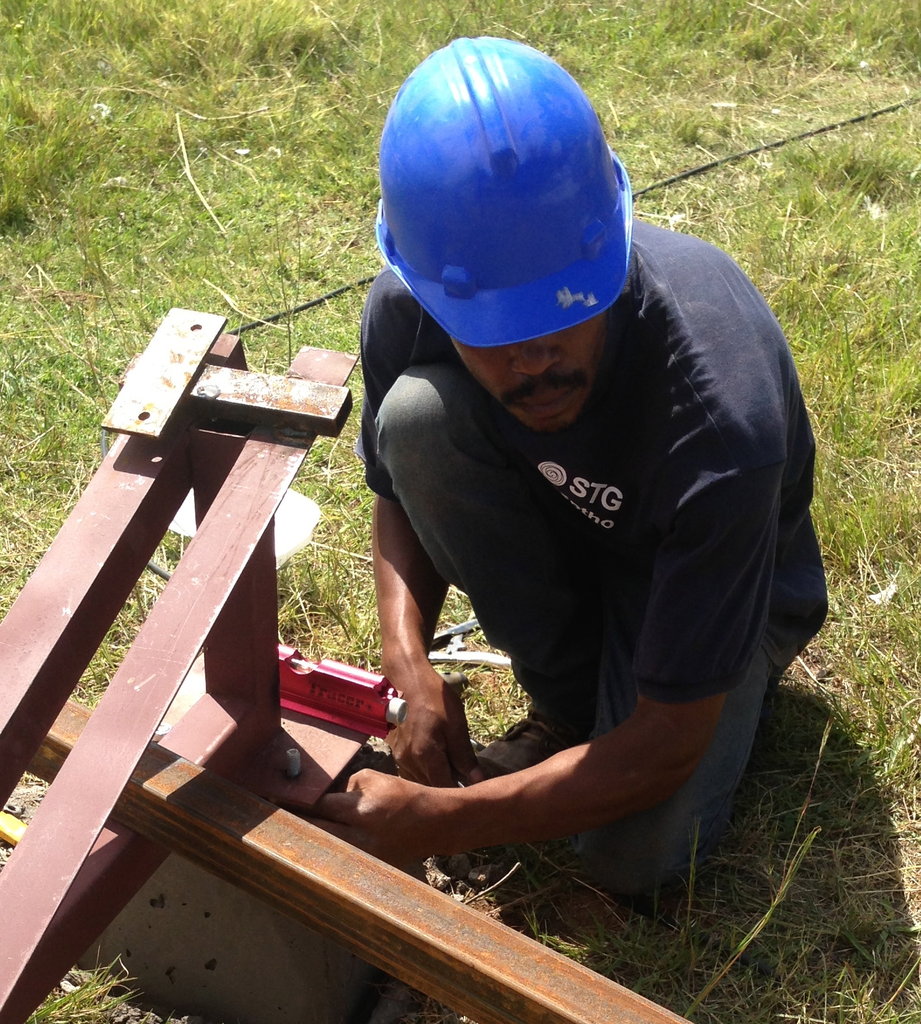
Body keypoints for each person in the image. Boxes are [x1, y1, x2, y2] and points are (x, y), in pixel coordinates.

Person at [313, 36, 827, 896]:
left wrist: (442, 819)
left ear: (608, 262)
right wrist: (407, 665)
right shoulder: (412, 303)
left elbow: (663, 743)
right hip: (576, 528)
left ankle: (701, 685)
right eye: (494, 334)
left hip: (714, 585)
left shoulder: (717, 420)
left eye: (561, 319)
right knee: (414, 418)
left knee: (631, 863)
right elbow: (397, 492)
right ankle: (576, 703)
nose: (532, 363)